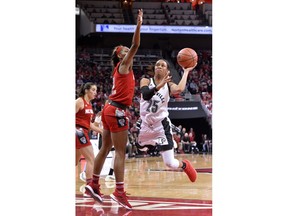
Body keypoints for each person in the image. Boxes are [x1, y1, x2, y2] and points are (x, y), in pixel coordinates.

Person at [85, 9, 143, 210]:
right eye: (125, 51)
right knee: (120, 152)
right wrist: (139, 24)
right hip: (117, 111)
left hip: (110, 108)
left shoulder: (121, 70)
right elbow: (136, 44)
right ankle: (119, 192)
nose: (129, 52)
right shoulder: (124, 66)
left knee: (105, 148)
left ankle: (93, 184)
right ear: (120, 56)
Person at [137, 59, 198, 183]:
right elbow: (146, 94)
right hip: (145, 125)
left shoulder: (168, 85)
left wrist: (185, 72)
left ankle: (185, 165)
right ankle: (154, 143)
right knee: (139, 147)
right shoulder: (146, 80)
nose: (159, 66)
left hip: (161, 126)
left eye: (162, 65)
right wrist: (159, 85)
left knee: (170, 163)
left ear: (167, 71)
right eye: (157, 64)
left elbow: (180, 89)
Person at [75, 82, 103, 197]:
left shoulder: (89, 105)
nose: (95, 93)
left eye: (96, 90)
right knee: (91, 159)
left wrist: (103, 132)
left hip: (83, 131)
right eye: (93, 90)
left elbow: (89, 125)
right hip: (78, 132)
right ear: (86, 90)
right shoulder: (79, 101)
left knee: (74, 161)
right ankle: (89, 188)